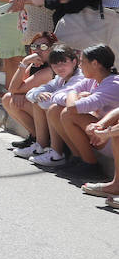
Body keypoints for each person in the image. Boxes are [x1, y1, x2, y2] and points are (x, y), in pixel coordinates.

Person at [40, 44, 119, 176]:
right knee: (54, 109)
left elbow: (72, 107)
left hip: (110, 137)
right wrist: (74, 95)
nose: (80, 66)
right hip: (98, 133)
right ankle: (78, 158)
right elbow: (56, 96)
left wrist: (73, 94)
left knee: (68, 114)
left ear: (95, 64)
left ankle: (91, 165)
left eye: (82, 62)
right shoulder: (92, 80)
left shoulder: (112, 84)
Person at [12, 43, 83, 163]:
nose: (59, 67)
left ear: (74, 62)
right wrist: (38, 95)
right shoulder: (60, 78)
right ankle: (41, 146)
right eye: (55, 64)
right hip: (68, 119)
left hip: (82, 119)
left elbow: (57, 99)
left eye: (63, 62)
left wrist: (43, 96)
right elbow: (32, 93)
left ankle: (57, 153)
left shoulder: (79, 78)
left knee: (51, 106)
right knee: (39, 100)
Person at [3, 37, 70, 157]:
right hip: (46, 109)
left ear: (52, 49)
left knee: (16, 101)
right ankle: (35, 138)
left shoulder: (50, 70)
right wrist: (25, 64)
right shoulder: (35, 65)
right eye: (34, 46)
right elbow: (14, 88)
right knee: (8, 98)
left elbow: (14, 88)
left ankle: (44, 142)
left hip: (56, 113)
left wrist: (24, 63)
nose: (37, 50)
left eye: (43, 46)